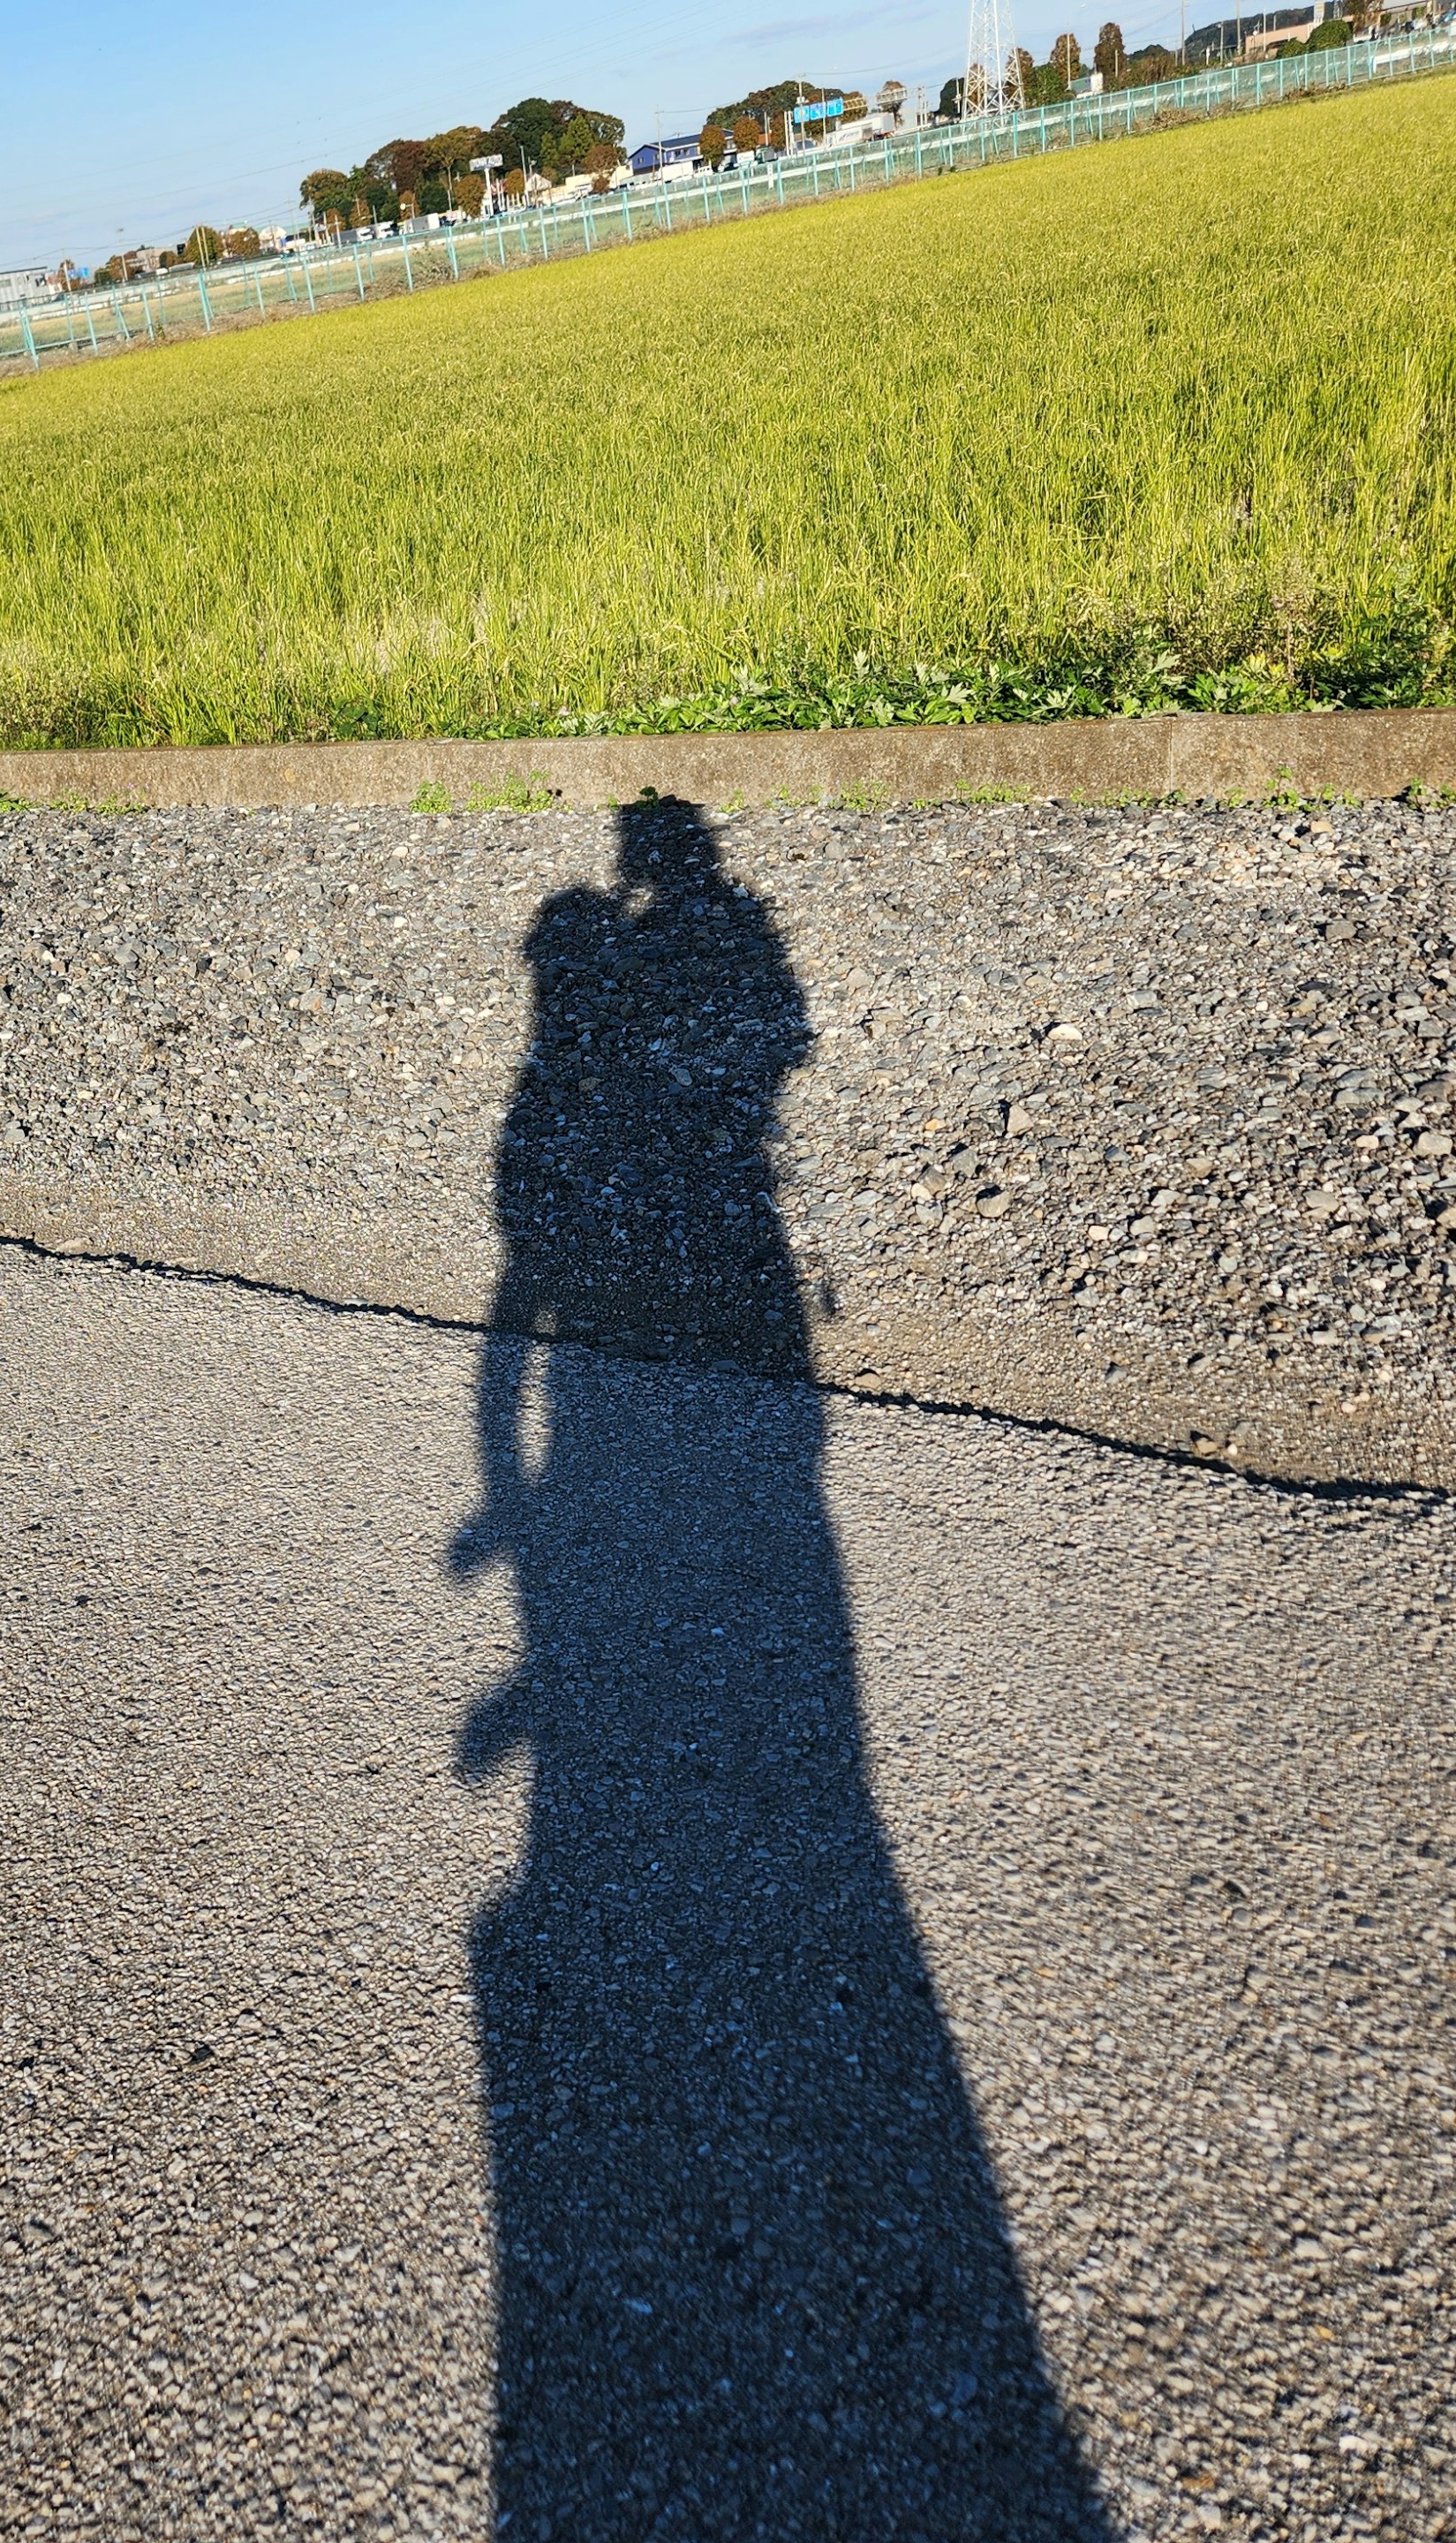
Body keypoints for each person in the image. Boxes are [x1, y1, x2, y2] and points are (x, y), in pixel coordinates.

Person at [451, 798, 1105, 2538]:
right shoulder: (696, 959)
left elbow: (540, 1228)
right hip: (723, 1276)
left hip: (655, 1313)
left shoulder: (576, 1038)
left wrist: (505, 1487)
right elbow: (785, 1040)